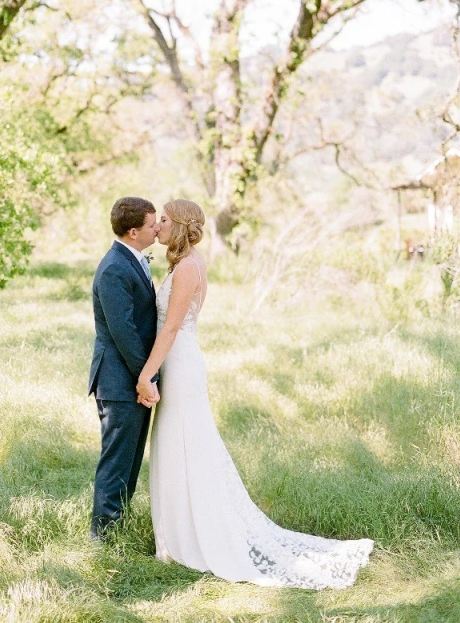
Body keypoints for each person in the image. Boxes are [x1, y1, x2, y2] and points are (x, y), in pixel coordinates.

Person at [136, 199, 374, 589]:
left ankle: (196, 539)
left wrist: (147, 376)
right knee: (178, 446)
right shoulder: (186, 263)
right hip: (179, 363)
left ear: (178, 225)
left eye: (163, 219)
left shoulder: (187, 269)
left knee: (187, 447)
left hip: (179, 366)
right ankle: (179, 536)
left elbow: (172, 328)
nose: (157, 225)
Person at [88, 196, 160, 540]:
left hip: (132, 380)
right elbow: (124, 333)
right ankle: (103, 539)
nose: (157, 228)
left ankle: (119, 532)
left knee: (129, 465)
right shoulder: (115, 267)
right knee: (116, 464)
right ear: (134, 232)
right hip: (119, 382)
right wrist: (146, 378)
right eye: (152, 224)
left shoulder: (132, 259)